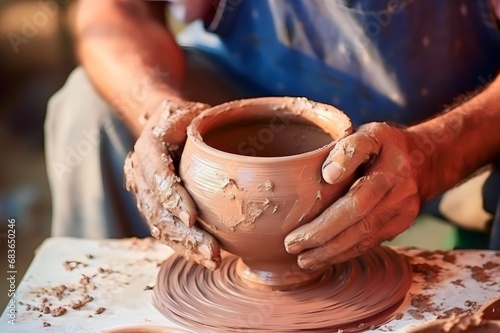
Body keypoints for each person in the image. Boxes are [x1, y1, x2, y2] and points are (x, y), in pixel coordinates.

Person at [45, 0, 500, 270]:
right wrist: (154, 111)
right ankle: (105, 308)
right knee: (91, 110)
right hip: (240, 93)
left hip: (460, 123)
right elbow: (115, 10)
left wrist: (434, 154)